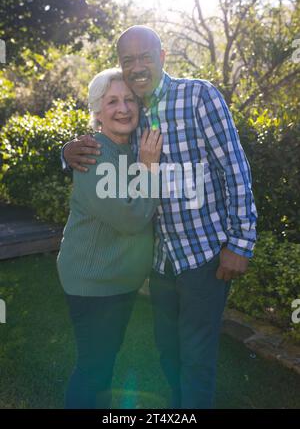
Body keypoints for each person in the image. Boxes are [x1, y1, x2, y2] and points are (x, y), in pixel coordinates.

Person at [62, 26, 257, 409]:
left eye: (145, 57)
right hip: (161, 262)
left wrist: (241, 242)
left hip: (204, 256)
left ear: (162, 56)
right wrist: (66, 151)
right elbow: (102, 149)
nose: (137, 67)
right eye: (127, 60)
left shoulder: (199, 96)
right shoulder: (132, 113)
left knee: (197, 359)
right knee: (168, 353)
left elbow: (235, 170)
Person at [57, 67, 162, 409]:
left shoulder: (132, 147)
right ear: (97, 111)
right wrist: (149, 168)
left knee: (105, 360)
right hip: (93, 282)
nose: (123, 108)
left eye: (129, 100)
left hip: (121, 282)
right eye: (112, 101)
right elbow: (131, 219)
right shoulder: (93, 152)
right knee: (94, 366)